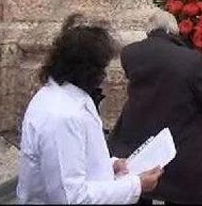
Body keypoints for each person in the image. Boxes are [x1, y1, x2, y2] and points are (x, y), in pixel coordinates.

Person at [108, 10, 202, 204]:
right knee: (180, 195)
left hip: (138, 140)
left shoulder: (130, 54)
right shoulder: (191, 61)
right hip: (181, 145)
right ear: (173, 31)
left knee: (140, 191)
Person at [17, 14, 163, 204]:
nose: (103, 75)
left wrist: (112, 166)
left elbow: (79, 161)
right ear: (88, 69)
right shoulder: (62, 115)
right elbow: (71, 198)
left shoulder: (69, 97)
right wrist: (137, 185)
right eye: (101, 68)